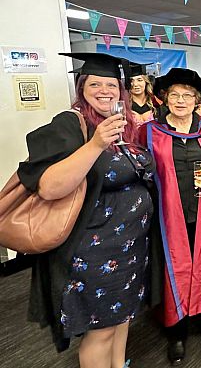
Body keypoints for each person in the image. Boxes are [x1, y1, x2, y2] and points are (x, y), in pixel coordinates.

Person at [17, 52, 157, 368]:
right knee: (101, 330)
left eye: (111, 84)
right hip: (94, 251)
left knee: (122, 319)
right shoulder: (71, 124)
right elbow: (48, 187)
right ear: (82, 87)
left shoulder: (125, 123)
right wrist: (95, 144)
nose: (104, 90)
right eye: (95, 83)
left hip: (131, 247)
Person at [140, 67, 201, 365]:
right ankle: (176, 330)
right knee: (176, 269)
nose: (181, 100)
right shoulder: (149, 132)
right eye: (175, 95)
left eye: (188, 95)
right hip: (168, 216)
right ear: (165, 98)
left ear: (197, 100)